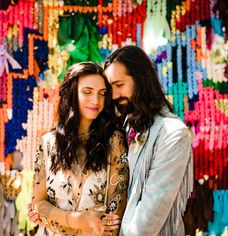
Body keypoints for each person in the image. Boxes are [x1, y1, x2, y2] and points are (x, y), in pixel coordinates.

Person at [30, 61, 129, 236]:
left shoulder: (114, 141)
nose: (96, 101)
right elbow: (38, 204)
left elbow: (112, 221)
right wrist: (78, 220)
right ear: (71, 93)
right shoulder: (48, 143)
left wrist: (53, 217)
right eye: (87, 92)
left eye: (102, 94)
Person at [103, 45, 193, 236]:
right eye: (110, 88)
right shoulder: (126, 124)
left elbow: (149, 216)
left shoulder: (173, 133)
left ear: (142, 80)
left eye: (119, 85)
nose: (114, 95)